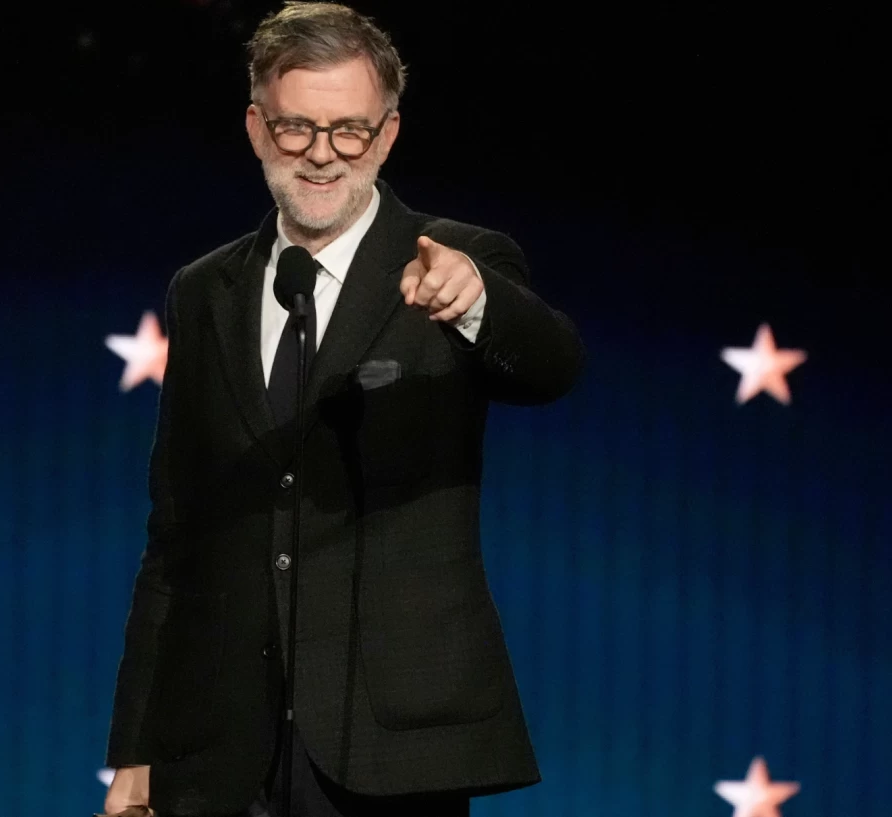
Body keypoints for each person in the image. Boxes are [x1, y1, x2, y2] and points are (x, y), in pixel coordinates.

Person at [101, 3, 583, 816]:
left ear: (388, 135)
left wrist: (474, 304)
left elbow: (553, 364)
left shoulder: (458, 259)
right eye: (296, 129)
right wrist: (137, 751)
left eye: (350, 131)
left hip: (389, 746)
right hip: (220, 750)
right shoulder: (204, 290)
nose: (322, 156)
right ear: (257, 128)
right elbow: (175, 536)